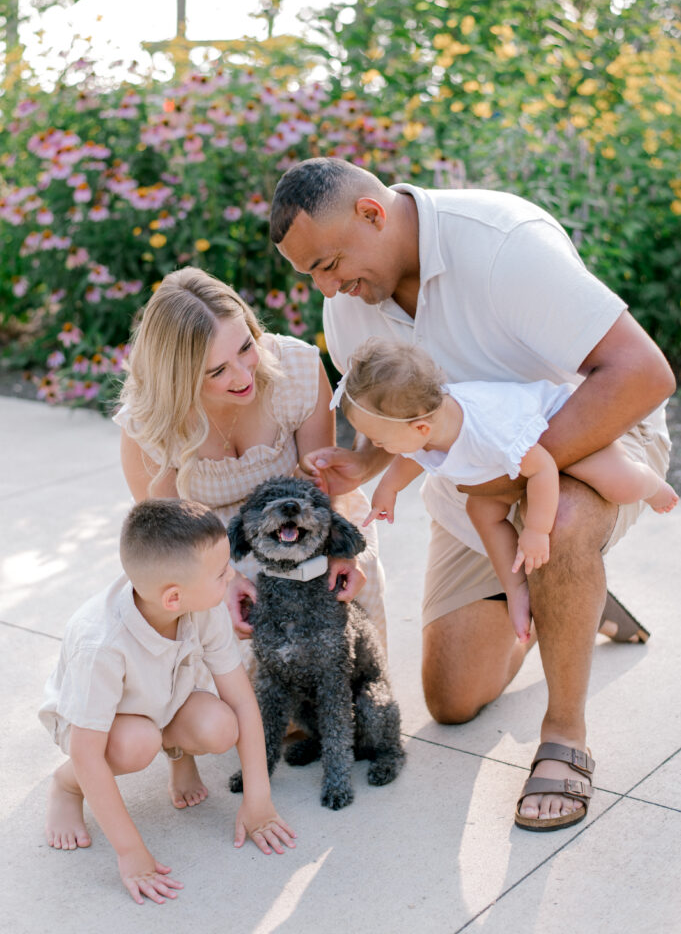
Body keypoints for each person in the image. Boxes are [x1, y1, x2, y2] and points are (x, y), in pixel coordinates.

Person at [270, 156, 676, 832]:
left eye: (329, 263)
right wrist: (360, 464)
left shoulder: (501, 243)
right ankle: (568, 597)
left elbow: (641, 374)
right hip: (475, 482)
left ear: (372, 213)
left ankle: (564, 735)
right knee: (452, 698)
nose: (329, 288)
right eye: (311, 274)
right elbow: (396, 427)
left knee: (565, 518)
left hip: (594, 441)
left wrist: (517, 473)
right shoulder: (349, 308)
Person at [114, 266, 386, 662]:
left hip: (302, 519)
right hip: (203, 546)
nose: (244, 375)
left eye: (245, 347)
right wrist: (223, 578)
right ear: (179, 377)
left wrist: (338, 550)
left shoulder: (296, 368)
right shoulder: (147, 423)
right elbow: (169, 534)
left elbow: (322, 485)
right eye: (217, 371)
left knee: (331, 601)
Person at [332, 336, 677, 644]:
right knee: (480, 510)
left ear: (421, 427)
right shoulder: (425, 427)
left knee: (619, 484)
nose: (375, 445)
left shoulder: (486, 431)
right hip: (510, 460)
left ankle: (649, 483)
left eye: (379, 439)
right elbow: (412, 455)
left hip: (552, 428)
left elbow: (543, 467)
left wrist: (537, 531)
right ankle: (516, 589)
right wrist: (388, 489)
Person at [40, 498, 296, 906]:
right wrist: (130, 852)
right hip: (95, 728)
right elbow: (88, 751)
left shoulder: (203, 602)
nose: (231, 575)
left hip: (165, 698)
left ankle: (180, 755)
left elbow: (242, 701)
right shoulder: (101, 645)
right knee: (135, 743)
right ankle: (65, 786)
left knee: (220, 724)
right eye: (220, 572)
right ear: (173, 597)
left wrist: (258, 800)